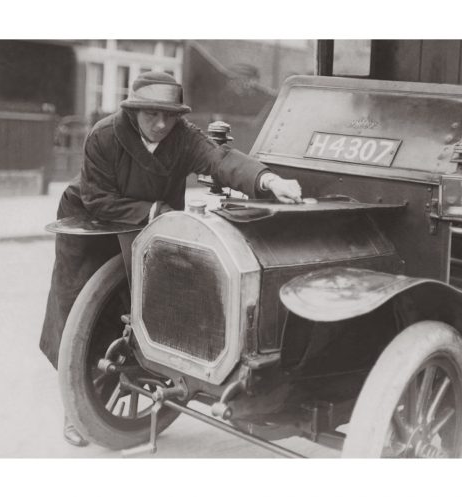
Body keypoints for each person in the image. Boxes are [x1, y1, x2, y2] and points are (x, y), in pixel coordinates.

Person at [39, 71, 302, 446]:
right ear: (134, 112)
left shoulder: (182, 137)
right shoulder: (103, 135)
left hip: (151, 222)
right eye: (152, 115)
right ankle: (77, 411)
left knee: (161, 304)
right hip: (93, 224)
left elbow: (221, 158)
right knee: (80, 313)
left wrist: (268, 181)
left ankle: (170, 374)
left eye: (170, 116)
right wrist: (155, 210)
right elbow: (97, 198)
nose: (161, 124)